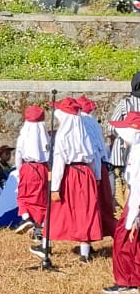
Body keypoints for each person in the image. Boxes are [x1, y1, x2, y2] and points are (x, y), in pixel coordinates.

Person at [34, 98, 102, 262]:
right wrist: (97, 176)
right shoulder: (83, 132)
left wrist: (55, 188)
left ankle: (45, 245)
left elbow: (59, 162)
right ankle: (84, 252)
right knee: (85, 211)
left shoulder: (64, 135)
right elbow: (94, 157)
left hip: (70, 174)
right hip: (86, 175)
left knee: (57, 210)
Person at [104, 112, 140, 294]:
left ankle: (127, 280)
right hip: (134, 202)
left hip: (136, 204)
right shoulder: (135, 150)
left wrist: (133, 217)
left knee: (124, 240)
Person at [76, 96, 117, 238]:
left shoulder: (81, 122)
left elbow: (91, 150)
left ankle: (89, 238)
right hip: (100, 165)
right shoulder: (93, 122)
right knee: (104, 204)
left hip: (91, 167)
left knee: (89, 206)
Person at [14, 105, 49, 234]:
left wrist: (20, 171)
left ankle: (26, 217)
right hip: (43, 167)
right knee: (42, 198)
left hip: (28, 167)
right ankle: (41, 226)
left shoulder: (24, 136)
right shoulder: (45, 136)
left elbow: (18, 154)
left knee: (24, 196)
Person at [109, 72, 140, 187]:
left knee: (120, 191)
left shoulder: (125, 104)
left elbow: (111, 126)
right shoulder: (125, 103)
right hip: (130, 153)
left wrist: (126, 135)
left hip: (121, 153)